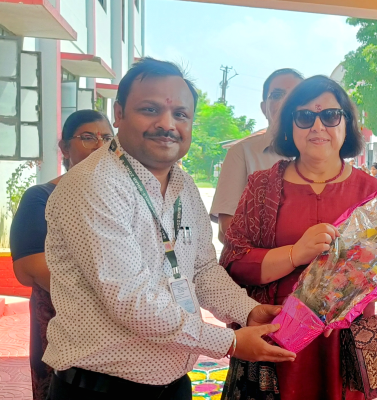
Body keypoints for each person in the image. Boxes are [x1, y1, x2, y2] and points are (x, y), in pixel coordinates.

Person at [42, 58, 295, 400]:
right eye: (150, 110)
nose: (167, 124)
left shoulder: (183, 185)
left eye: (180, 114)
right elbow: (131, 300)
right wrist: (230, 342)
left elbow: (203, 270)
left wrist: (247, 310)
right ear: (119, 113)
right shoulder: (93, 184)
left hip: (173, 384)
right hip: (99, 388)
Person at [220, 75, 377, 400]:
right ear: (289, 127)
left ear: (347, 124)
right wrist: (296, 253)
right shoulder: (262, 186)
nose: (317, 126)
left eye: (330, 116)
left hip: (344, 340)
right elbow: (234, 262)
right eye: (305, 117)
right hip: (275, 334)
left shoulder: (372, 191)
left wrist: (347, 287)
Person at [9, 110, 113, 400]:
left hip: (125, 341)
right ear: (65, 147)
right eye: (87, 137)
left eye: (107, 138)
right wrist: (120, 302)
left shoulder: (123, 198)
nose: (99, 145)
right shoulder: (40, 198)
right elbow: (32, 268)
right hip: (64, 336)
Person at [211, 68, 304, 243]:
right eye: (277, 95)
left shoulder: (317, 154)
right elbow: (227, 231)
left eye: (295, 95)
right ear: (264, 108)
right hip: (259, 261)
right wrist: (293, 253)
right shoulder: (241, 153)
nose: (286, 102)